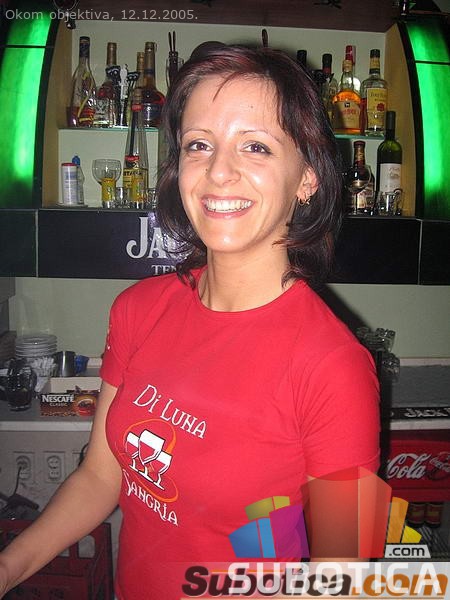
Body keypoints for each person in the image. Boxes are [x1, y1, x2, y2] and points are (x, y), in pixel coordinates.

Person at [0, 45, 380, 599]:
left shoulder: (336, 368)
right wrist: (8, 568)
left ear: (307, 178)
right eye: (198, 144)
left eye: (255, 146)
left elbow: (342, 578)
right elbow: (101, 476)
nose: (219, 172)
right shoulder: (138, 309)